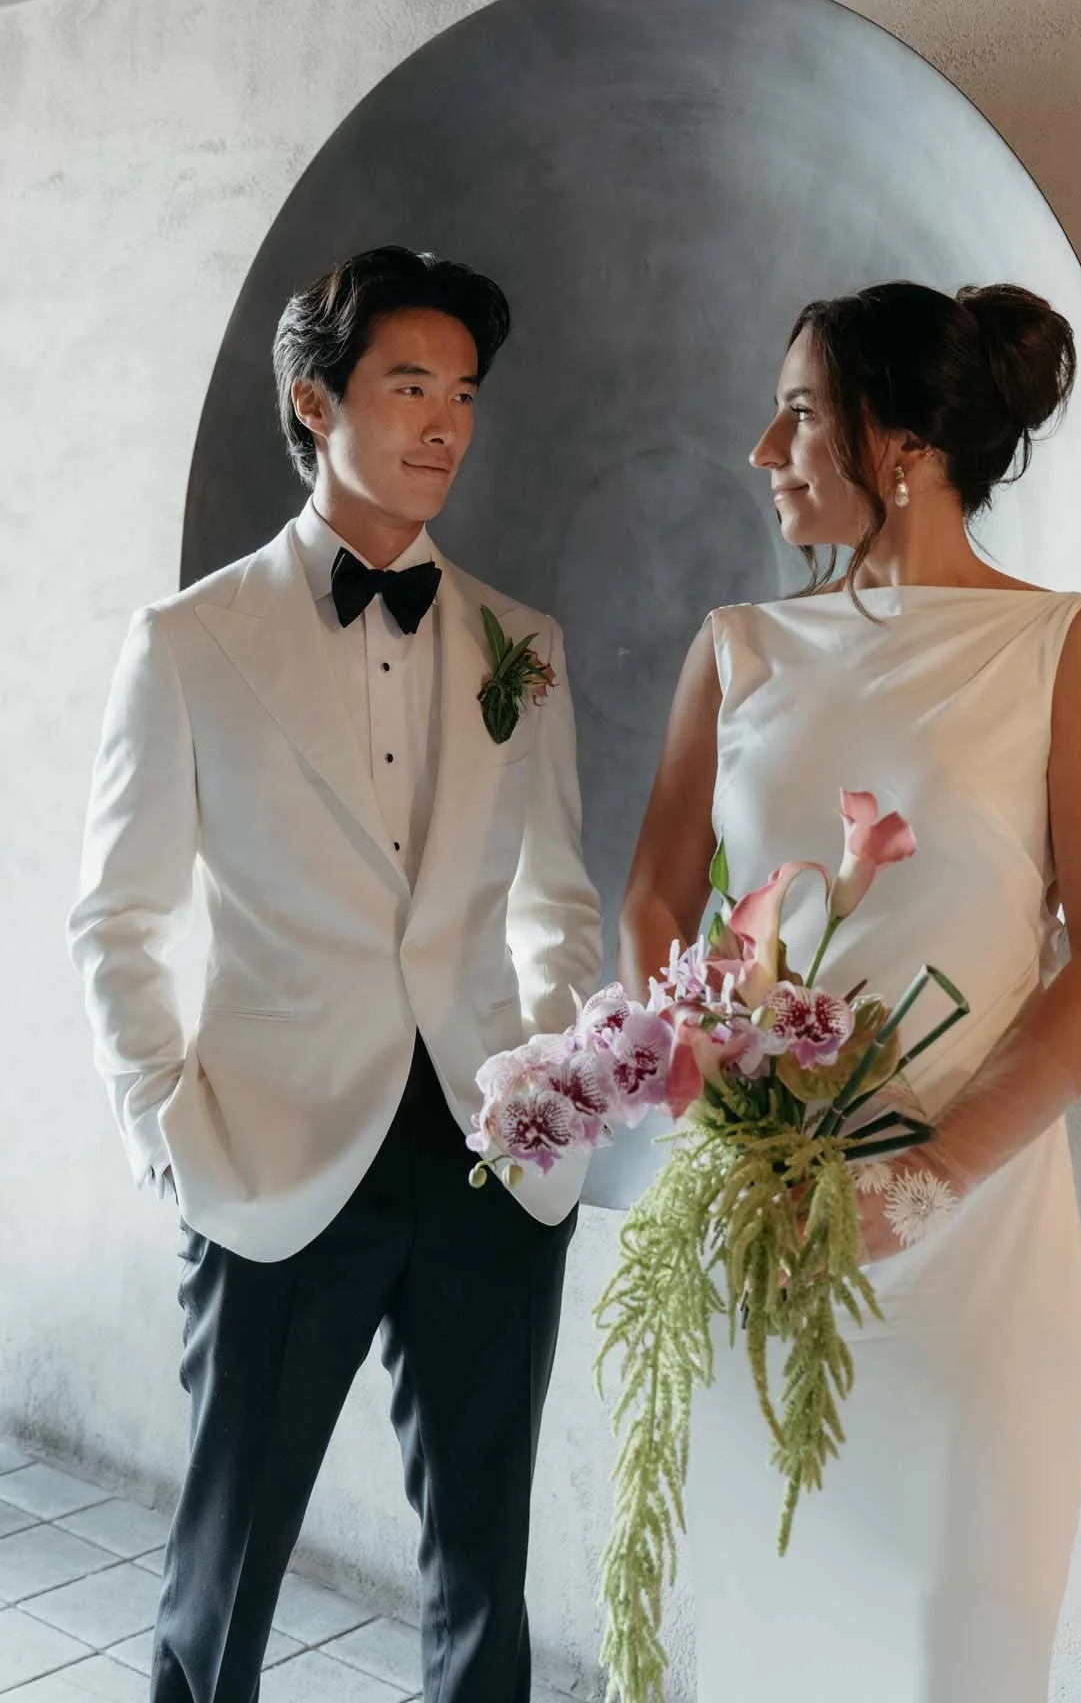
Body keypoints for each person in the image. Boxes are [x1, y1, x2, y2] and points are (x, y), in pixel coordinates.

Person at [68, 244, 603, 1703]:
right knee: (227, 1566)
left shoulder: (522, 646)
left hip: (495, 1166)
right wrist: (167, 1134)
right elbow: (115, 917)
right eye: (409, 385)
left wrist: (555, 1089)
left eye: (466, 394)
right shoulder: (188, 642)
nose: (446, 423)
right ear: (317, 401)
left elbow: (561, 901)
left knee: (485, 1573)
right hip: (276, 1155)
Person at [619, 280, 1081, 1702]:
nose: (763, 447)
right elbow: (657, 902)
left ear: (902, 440)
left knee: (957, 1654)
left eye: (799, 410)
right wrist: (710, 1107)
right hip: (759, 1242)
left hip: (978, 1258)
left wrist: (924, 1180)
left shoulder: (1066, 647)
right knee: (762, 1644)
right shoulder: (737, 645)